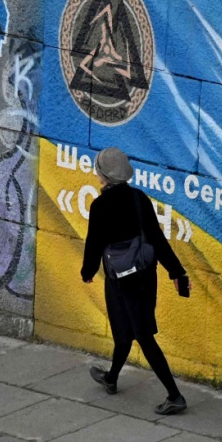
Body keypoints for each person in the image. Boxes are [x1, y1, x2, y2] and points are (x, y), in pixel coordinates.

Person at [82, 146, 189, 414]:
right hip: (145, 276)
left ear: (104, 174)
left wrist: (87, 272)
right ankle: (111, 378)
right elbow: (157, 239)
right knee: (123, 330)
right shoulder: (139, 198)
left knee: (141, 335)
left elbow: (94, 244)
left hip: (119, 280)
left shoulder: (100, 206)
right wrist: (176, 272)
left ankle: (175, 396)